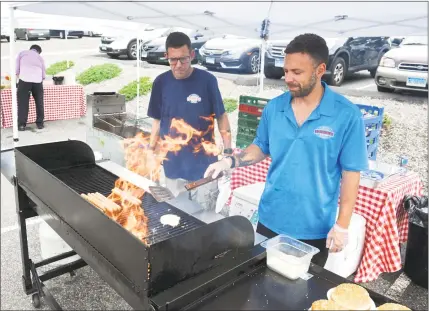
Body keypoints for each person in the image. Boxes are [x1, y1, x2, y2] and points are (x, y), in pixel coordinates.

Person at [204, 33, 368, 267]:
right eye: (286, 71)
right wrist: (230, 162)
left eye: (297, 73)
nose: (288, 78)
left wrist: (342, 226)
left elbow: (352, 174)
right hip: (271, 217)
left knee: (300, 296)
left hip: (314, 227)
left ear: (320, 70)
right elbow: (260, 147)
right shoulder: (275, 107)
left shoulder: (346, 115)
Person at [147, 31, 232, 210]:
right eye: (173, 60)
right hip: (173, 165)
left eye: (184, 59)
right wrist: (151, 150)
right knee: (176, 213)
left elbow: (221, 116)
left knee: (202, 216)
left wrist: (228, 151)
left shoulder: (207, 81)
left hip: (204, 167)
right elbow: (157, 119)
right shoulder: (160, 83)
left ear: (192, 55)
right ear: (166, 56)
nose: (178, 65)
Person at [16, 44, 46, 131]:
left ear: (31, 49)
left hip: (24, 79)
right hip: (37, 81)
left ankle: (22, 125)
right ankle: (40, 124)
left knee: (23, 103)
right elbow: (43, 74)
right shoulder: (40, 58)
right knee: (39, 102)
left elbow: (17, 69)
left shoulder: (22, 53)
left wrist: (19, 75)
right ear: (38, 52)